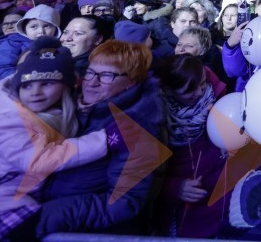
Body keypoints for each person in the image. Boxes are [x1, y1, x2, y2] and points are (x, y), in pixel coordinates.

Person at [37, 40, 166, 237]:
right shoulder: (66, 105)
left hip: (83, 231)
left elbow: (124, 202)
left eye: (107, 75)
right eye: (90, 72)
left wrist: (49, 216)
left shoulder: (136, 127)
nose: (92, 82)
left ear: (131, 82)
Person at [0, 38, 112, 241]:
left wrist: (82, 105)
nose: (35, 92)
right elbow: (38, 160)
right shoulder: (6, 120)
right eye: (27, 86)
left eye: (47, 83)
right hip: (1, 201)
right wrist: (103, 140)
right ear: (17, 87)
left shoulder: (45, 108)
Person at [153, 54, 228, 238]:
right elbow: (142, 175)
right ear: (168, 90)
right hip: (180, 206)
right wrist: (174, 188)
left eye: (202, 83)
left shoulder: (218, 99)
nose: (200, 93)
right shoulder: (153, 116)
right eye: (189, 91)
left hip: (218, 187)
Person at [0, 4, 61, 81]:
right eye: (34, 26)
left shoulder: (60, 46)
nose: (41, 31)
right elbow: (4, 70)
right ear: (24, 28)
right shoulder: (11, 42)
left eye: (46, 26)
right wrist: (29, 80)